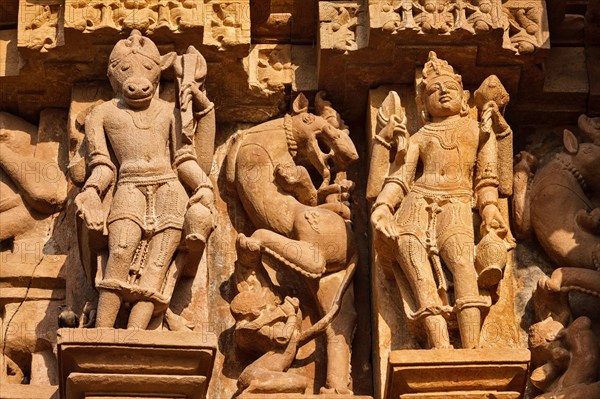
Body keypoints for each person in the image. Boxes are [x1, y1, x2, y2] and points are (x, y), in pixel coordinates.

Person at [75, 30, 214, 329]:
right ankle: (103, 331)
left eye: (148, 69)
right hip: (128, 185)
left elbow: (184, 159)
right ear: (113, 74)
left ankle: (138, 334)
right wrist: (91, 193)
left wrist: (203, 186)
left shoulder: (170, 112)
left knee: (158, 263)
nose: (137, 78)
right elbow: (103, 166)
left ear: (158, 73)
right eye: (125, 70)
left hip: (169, 188)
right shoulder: (101, 114)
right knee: (121, 252)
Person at [371, 51, 508, 349]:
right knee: (418, 271)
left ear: (465, 97)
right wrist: (383, 208)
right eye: (434, 90)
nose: (443, 92)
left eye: (451, 88)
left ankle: (471, 348)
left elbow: (486, 180)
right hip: (416, 205)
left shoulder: (478, 131)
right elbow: (399, 178)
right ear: (423, 104)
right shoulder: (420, 136)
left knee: (462, 266)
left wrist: (489, 209)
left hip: (457, 204)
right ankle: (440, 347)